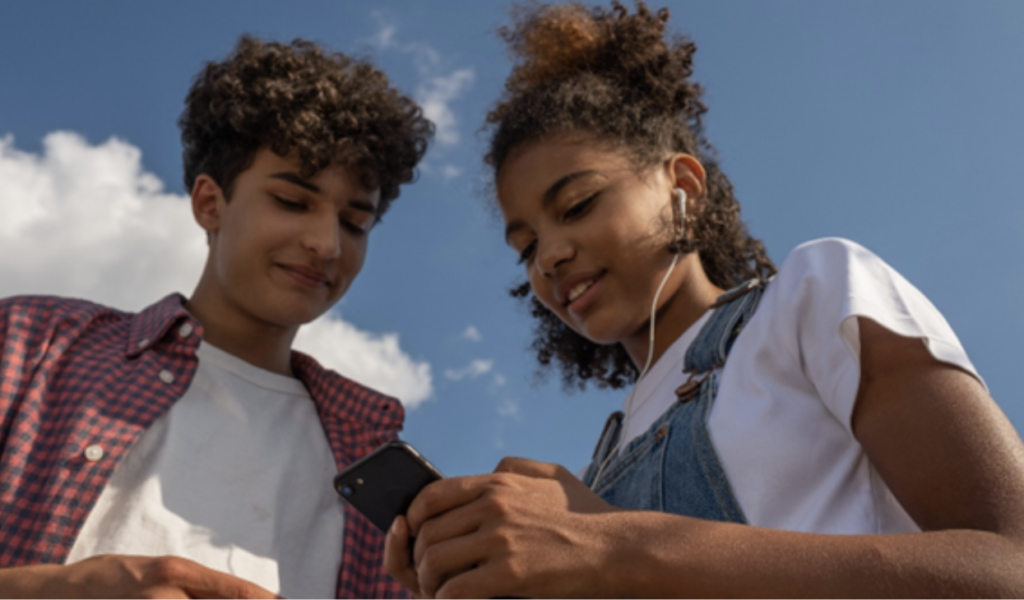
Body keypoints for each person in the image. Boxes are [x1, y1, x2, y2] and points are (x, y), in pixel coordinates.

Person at [384, 2, 1024, 597]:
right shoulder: (600, 465)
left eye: (577, 205)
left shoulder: (812, 296)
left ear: (682, 184)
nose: (549, 256)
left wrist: (612, 545)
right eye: (525, 247)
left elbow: (1010, 565)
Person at [0, 36, 431, 598]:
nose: (326, 244)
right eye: (293, 202)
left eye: (354, 223)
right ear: (210, 203)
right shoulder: (30, 346)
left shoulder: (375, 461)